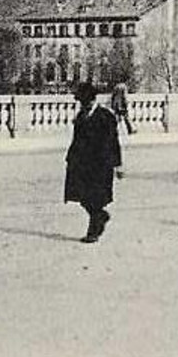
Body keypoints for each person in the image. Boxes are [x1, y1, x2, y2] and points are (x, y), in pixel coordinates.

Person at [63, 82, 122, 243]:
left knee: (95, 198)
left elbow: (113, 141)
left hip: (101, 164)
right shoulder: (81, 116)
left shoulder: (105, 116)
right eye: (82, 101)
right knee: (82, 197)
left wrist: (118, 164)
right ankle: (101, 216)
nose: (84, 104)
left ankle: (93, 231)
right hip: (82, 163)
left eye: (86, 101)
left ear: (92, 100)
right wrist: (70, 158)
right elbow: (76, 139)